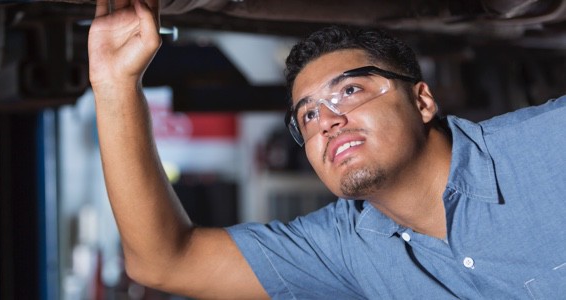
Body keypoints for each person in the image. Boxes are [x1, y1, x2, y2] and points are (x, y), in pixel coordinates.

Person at [88, 0, 566, 299]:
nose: (329, 123)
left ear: (422, 101)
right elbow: (163, 261)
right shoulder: (345, 248)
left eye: (351, 92)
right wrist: (114, 83)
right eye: (309, 115)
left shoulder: (549, 144)